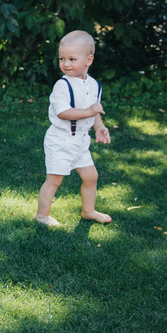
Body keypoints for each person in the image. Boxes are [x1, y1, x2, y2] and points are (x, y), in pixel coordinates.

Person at [34, 30, 112, 227]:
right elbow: (63, 113)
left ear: (89, 60)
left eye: (72, 59)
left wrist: (99, 126)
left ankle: (88, 211)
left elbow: (95, 112)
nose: (66, 64)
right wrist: (89, 111)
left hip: (80, 140)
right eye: (62, 58)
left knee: (91, 176)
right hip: (60, 140)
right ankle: (42, 215)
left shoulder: (95, 85)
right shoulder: (62, 85)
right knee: (54, 180)